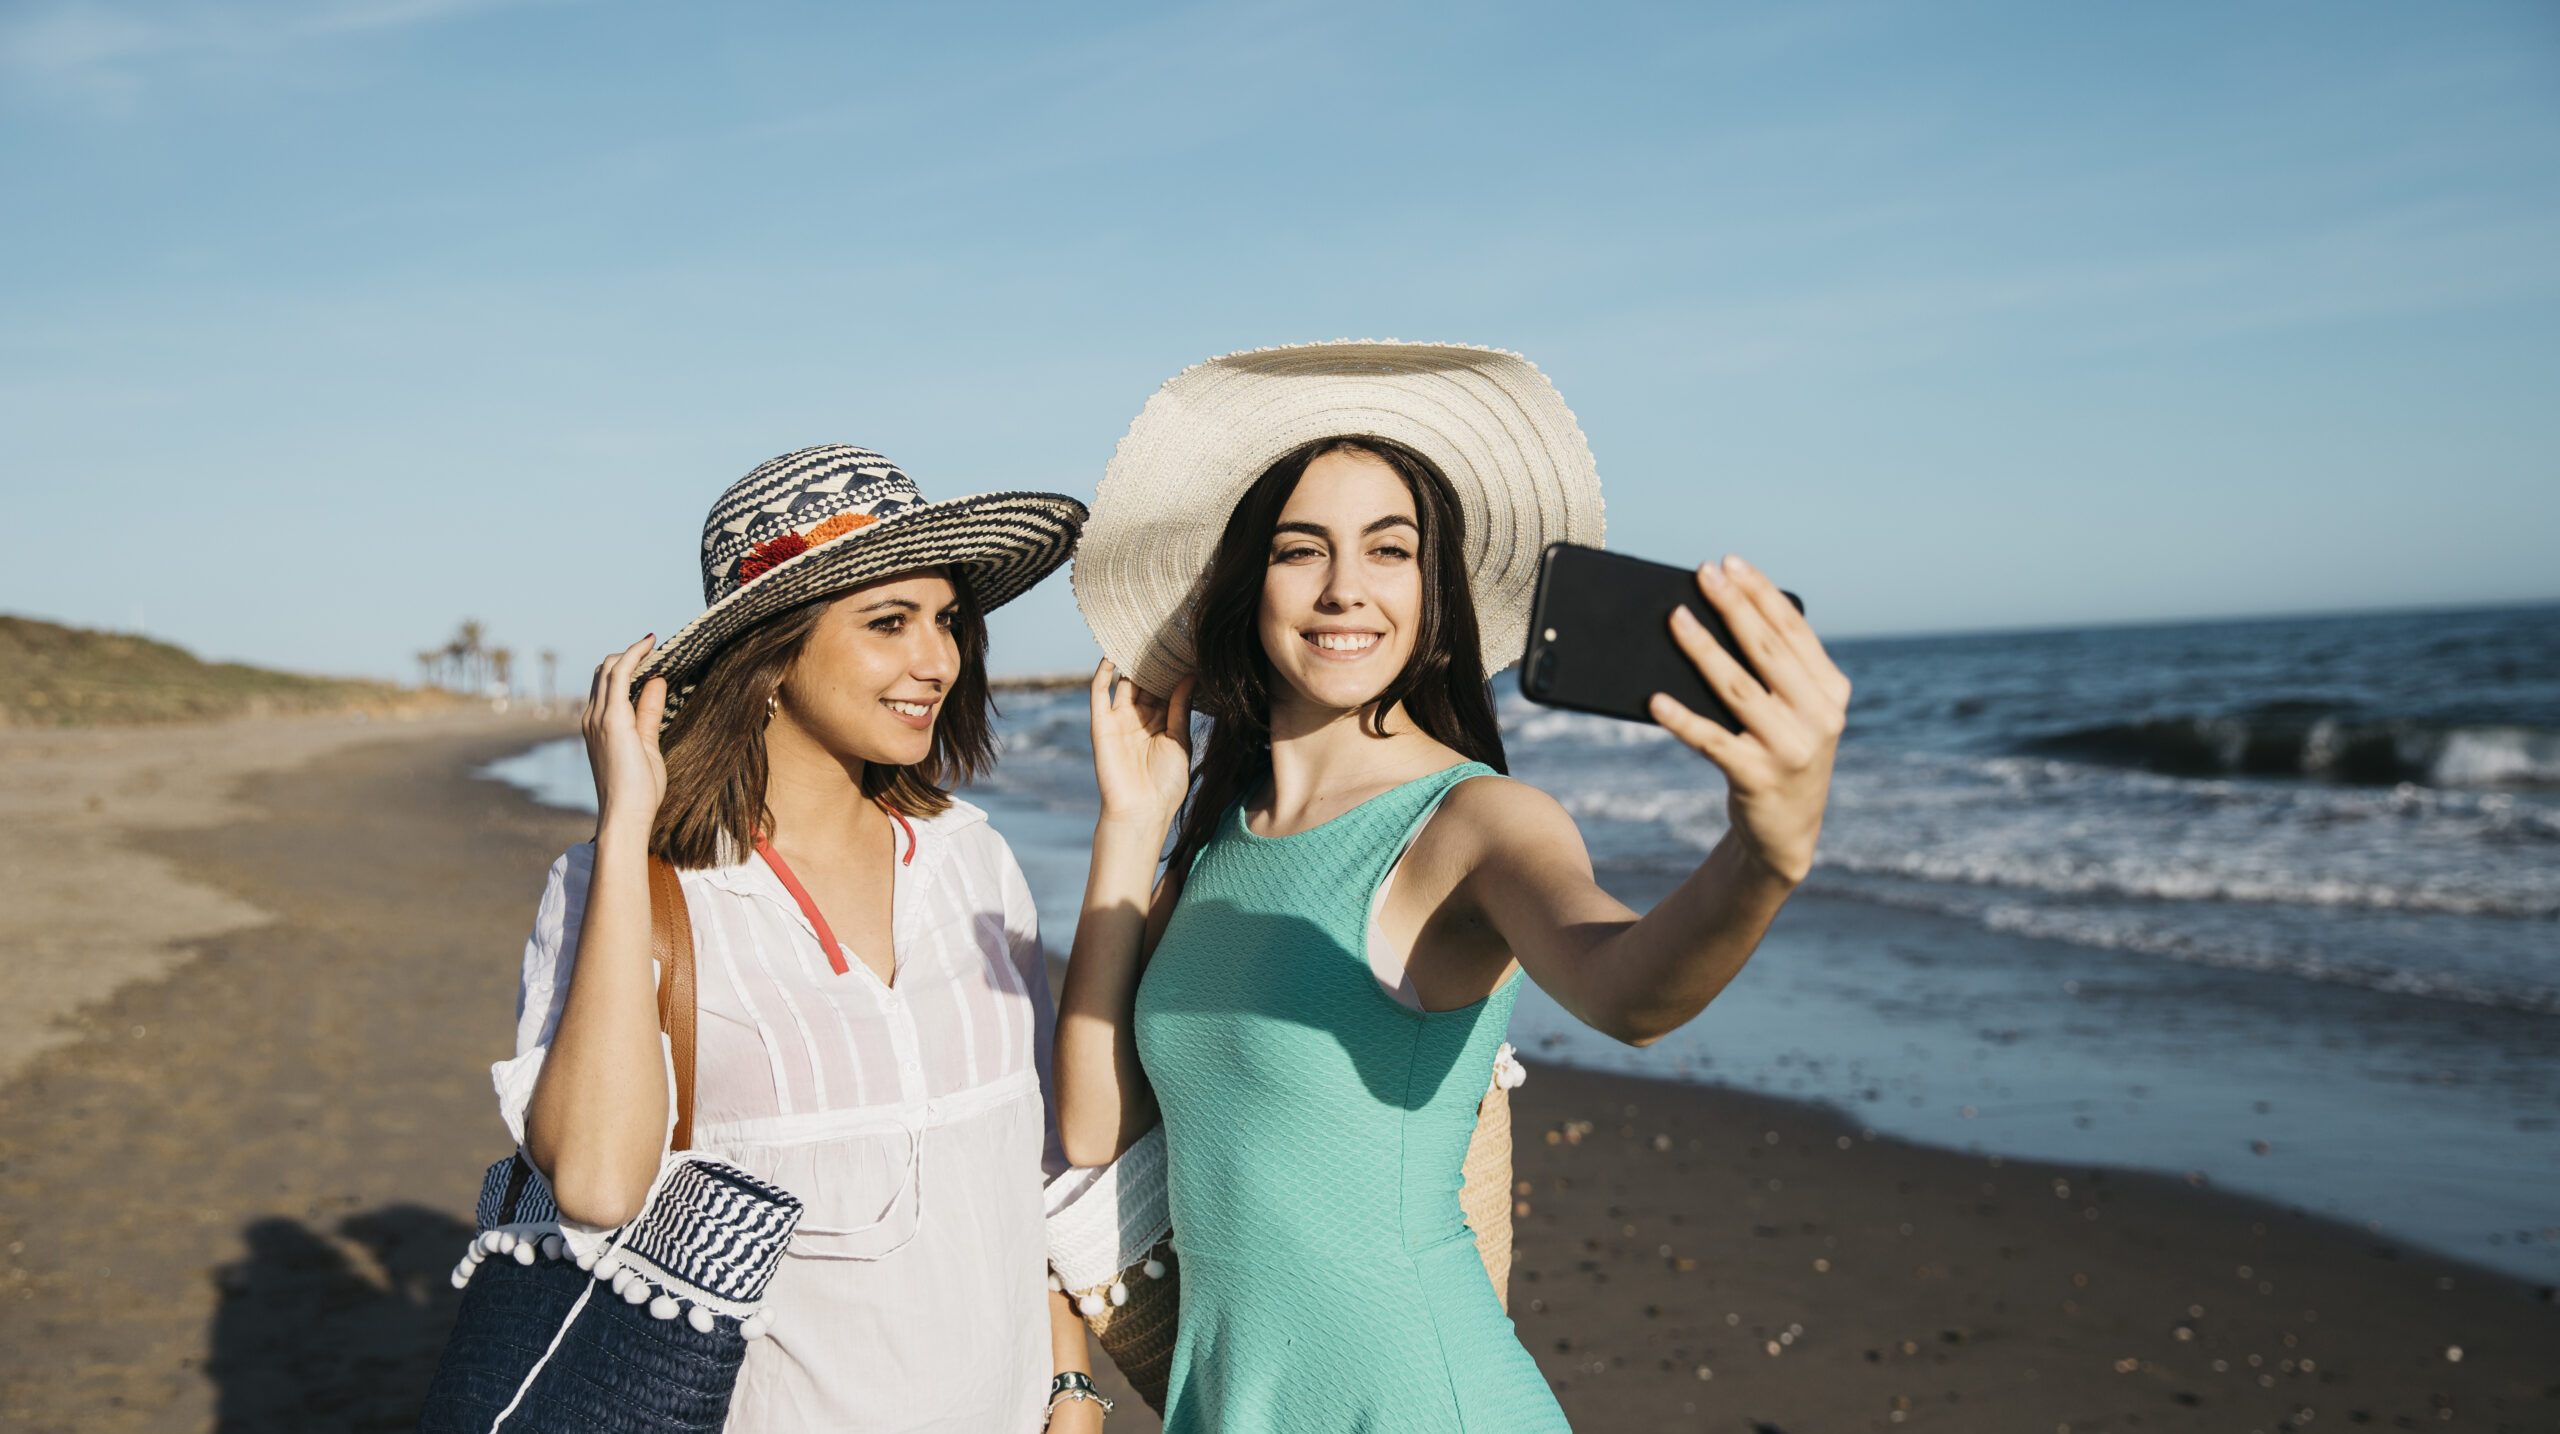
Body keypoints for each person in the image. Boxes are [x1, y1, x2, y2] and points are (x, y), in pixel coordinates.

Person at [1054, 344, 1850, 1430]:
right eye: (1302, 550)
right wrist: (1131, 825)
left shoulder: (1472, 823)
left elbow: (1632, 994)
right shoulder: (1216, 844)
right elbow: (1096, 1128)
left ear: (1435, 590)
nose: (1346, 588)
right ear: (1248, 584)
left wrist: (1767, 855)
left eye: (1391, 550)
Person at [498, 446, 1114, 1431]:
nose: (938, 661)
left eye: (947, 622)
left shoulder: (971, 860)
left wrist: (1070, 1375)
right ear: (772, 654)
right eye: (888, 623)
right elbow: (599, 1184)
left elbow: (1029, 1161)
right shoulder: (625, 890)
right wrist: (624, 829)